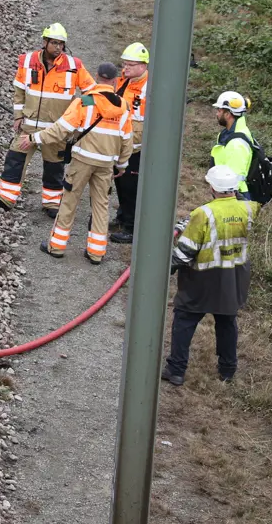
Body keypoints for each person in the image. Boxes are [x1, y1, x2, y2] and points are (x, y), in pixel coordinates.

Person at [23, 61, 133, 264]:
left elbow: (61, 129)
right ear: (115, 81)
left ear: (98, 76)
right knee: (101, 206)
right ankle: (96, 252)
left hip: (82, 160)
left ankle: (56, 246)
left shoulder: (86, 102)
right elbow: (127, 140)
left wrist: (34, 138)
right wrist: (122, 165)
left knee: (69, 201)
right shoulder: (123, 106)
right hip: (106, 164)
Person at [0, 23, 93, 215]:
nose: (58, 47)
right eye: (54, 43)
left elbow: (92, 93)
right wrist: (18, 115)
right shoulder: (27, 61)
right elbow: (19, 90)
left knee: (54, 166)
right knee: (15, 158)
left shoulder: (74, 66)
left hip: (55, 130)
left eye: (61, 44)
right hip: (29, 126)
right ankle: (6, 196)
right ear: (45, 42)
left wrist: (77, 118)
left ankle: (51, 203)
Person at [163, 165, 255, 384]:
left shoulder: (202, 213)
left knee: (184, 319)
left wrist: (166, 268)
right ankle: (227, 370)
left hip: (202, 280)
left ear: (212, 187)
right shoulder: (249, 209)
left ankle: (176, 369)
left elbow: (186, 251)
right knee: (226, 322)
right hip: (233, 278)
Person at [109, 42, 149, 244]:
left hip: (137, 148)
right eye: (124, 64)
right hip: (121, 145)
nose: (125, 68)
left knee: (131, 187)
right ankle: (123, 217)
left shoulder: (150, 87)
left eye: (130, 65)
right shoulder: (123, 81)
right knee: (120, 183)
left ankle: (132, 228)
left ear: (143, 65)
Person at [210, 90, 256, 199]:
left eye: (219, 110)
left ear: (228, 114)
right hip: (224, 193)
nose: (217, 114)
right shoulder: (229, 134)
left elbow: (235, 179)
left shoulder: (237, 144)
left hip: (234, 197)